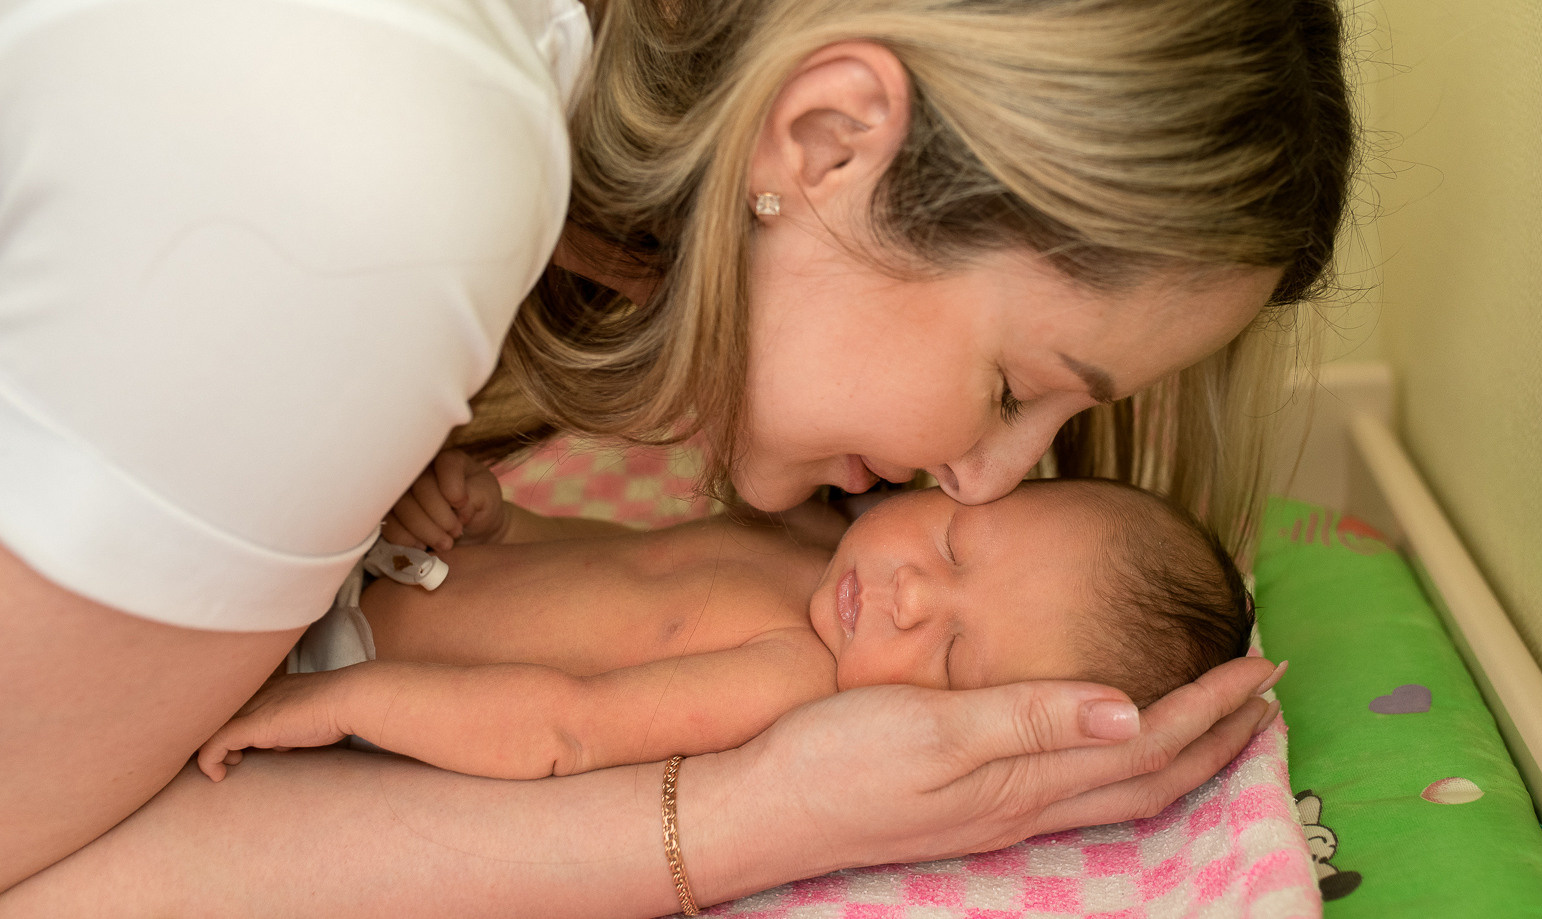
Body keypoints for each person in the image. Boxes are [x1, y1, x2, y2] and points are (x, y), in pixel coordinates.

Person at [0, 0, 1352, 911]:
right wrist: (758, 815)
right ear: (831, 142)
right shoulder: (385, 179)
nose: (984, 475)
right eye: (1014, 384)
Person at [193, 457, 1261, 781]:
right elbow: (622, 573)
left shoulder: (788, 676)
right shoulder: (807, 543)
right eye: (955, 548)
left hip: (341, 656)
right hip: (375, 562)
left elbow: (566, 724)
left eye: (950, 647)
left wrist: (342, 700)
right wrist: (503, 526)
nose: (910, 594)